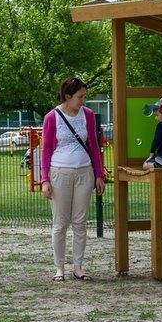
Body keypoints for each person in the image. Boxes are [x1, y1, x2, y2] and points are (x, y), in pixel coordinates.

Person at [41, 76, 105, 282]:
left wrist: (99, 174)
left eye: (84, 96)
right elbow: (46, 151)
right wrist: (45, 179)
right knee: (60, 223)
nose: (83, 100)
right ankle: (59, 267)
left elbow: (94, 146)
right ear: (67, 97)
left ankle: (78, 266)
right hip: (60, 172)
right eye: (80, 97)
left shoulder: (87, 115)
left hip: (84, 173)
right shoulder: (52, 117)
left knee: (80, 222)